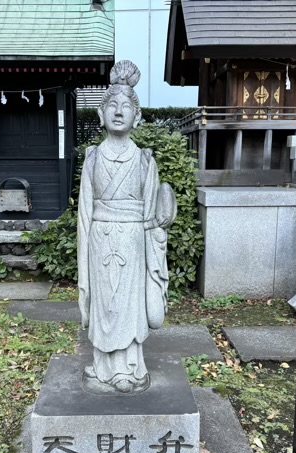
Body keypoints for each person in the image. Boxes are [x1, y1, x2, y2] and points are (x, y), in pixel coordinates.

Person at [77, 60, 176, 394]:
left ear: (137, 116)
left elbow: (151, 216)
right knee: (105, 303)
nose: (118, 112)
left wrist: (157, 235)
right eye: (112, 106)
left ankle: (130, 367)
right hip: (100, 240)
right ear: (101, 114)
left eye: (126, 107)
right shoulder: (92, 157)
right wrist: (84, 254)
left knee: (128, 304)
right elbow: (84, 213)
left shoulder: (144, 159)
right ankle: (104, 366)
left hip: (133, 241)